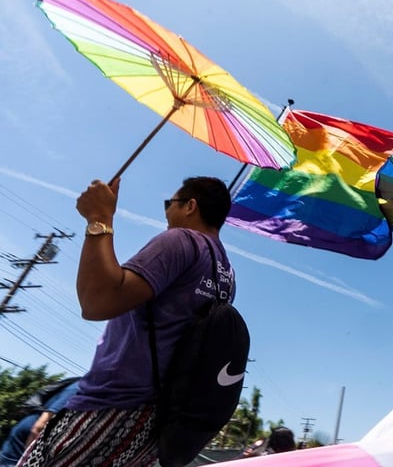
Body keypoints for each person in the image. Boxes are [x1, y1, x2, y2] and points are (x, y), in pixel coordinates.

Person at [18, 176, 236, 467]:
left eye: (169, 203)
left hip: (110, 407)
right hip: (155, 424)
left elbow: (97, 300)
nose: (167, 212)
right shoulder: (227, 276)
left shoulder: (181, 241)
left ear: (190, 206)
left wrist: (99, 218)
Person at [0, 380, 79, 466]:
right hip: (31, 434)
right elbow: (39, 426)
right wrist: (29, 458)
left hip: (31, 431)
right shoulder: (78, 389)